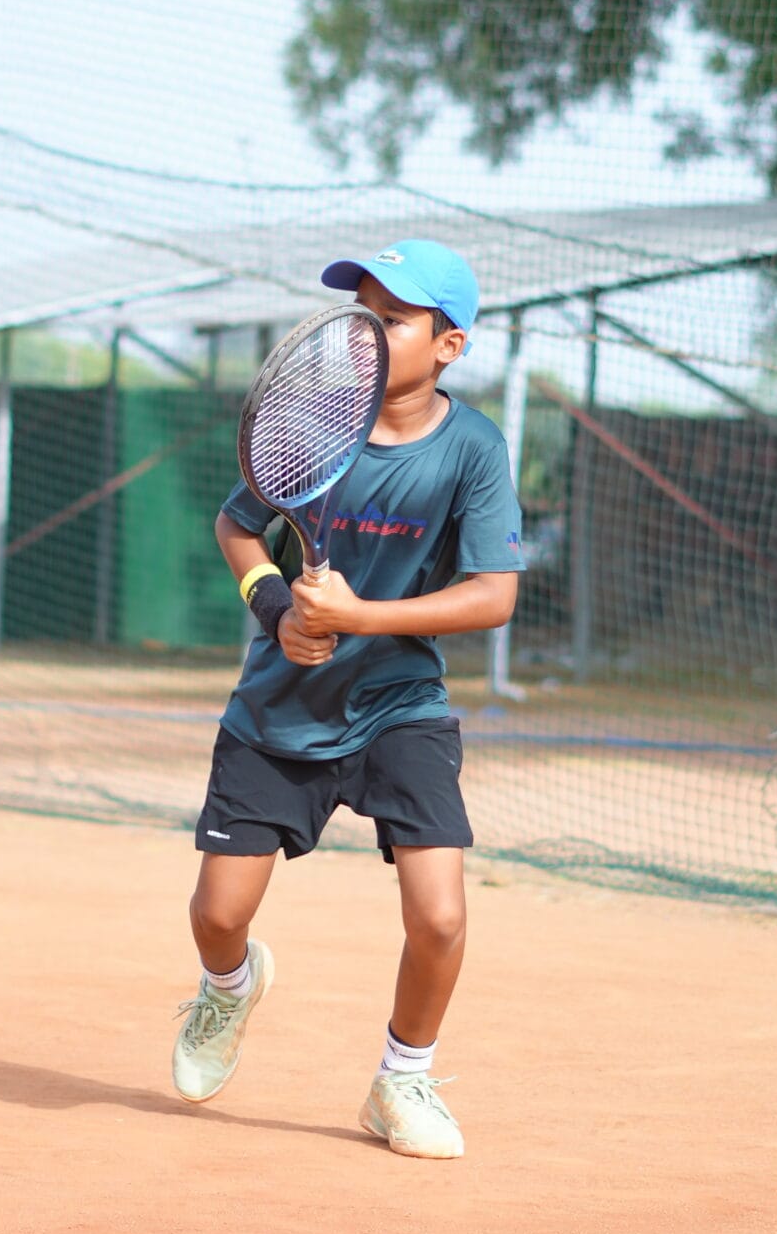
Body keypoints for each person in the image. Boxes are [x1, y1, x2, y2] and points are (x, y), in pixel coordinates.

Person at [171, 239, 521, 1160]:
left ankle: (402, 1079)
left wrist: (363, 617)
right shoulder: (309, 422)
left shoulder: (473, 449)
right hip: (277, 711)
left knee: (440, 915)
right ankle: (228, 990)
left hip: (401, 704)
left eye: (393, 320)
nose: (368, 333)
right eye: (362, 314)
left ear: (448, 346)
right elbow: (237, 527)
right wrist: (277, 609)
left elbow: (493, 595)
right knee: (217, 916)